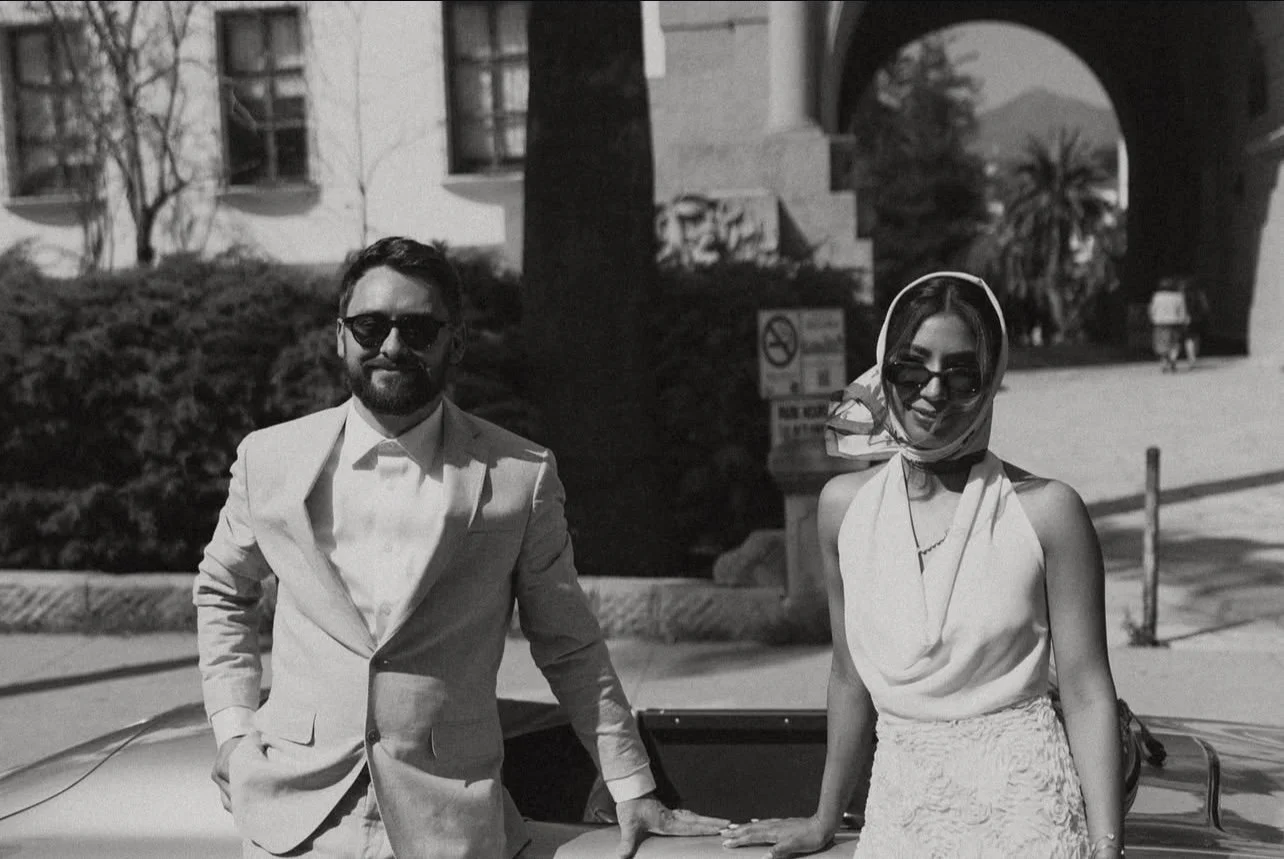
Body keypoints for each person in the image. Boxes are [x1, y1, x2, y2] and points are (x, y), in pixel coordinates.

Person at [194, 237, 727, 859]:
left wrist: (631, 784)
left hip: (450, 823)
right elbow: (222, 590)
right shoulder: (272, 458)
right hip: (292, 821)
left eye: (417, 329)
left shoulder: (520, 476)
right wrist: (233, 732)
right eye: (370, 326)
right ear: (340, 337)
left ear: (456, 343)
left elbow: (568, 641)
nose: (391, 345)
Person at [720, 272, 1125, 858]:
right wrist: (823, 817)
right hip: (900, 822)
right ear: (883, 368)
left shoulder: (1048, 513)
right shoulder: (843, 510)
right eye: (912, 369)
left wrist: (1108, 848)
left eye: (963, 375)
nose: (934, 391)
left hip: (1029, 824)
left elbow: (1088, 692)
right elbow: (848, 674)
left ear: (991, 384)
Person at [1147, 277, 1189, 373]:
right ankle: (1173, 359)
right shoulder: (1178, 296)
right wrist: (1183, 320)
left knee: (1161, 342)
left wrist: (1152, 318)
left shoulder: (1157, 296)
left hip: (1160, 322)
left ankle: (1164, 361)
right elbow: (1182, 310)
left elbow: (1152, 309)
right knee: (1175, 342)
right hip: (1174, 322)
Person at [1179, 276, 1210, 370]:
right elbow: (1205, 307)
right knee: (1195, 337)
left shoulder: (1181, 295)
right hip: (1198, 318)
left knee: (1188, 339)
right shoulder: (1199, 294)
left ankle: (1191, 358)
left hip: (1186, 318)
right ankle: (1193, 357)